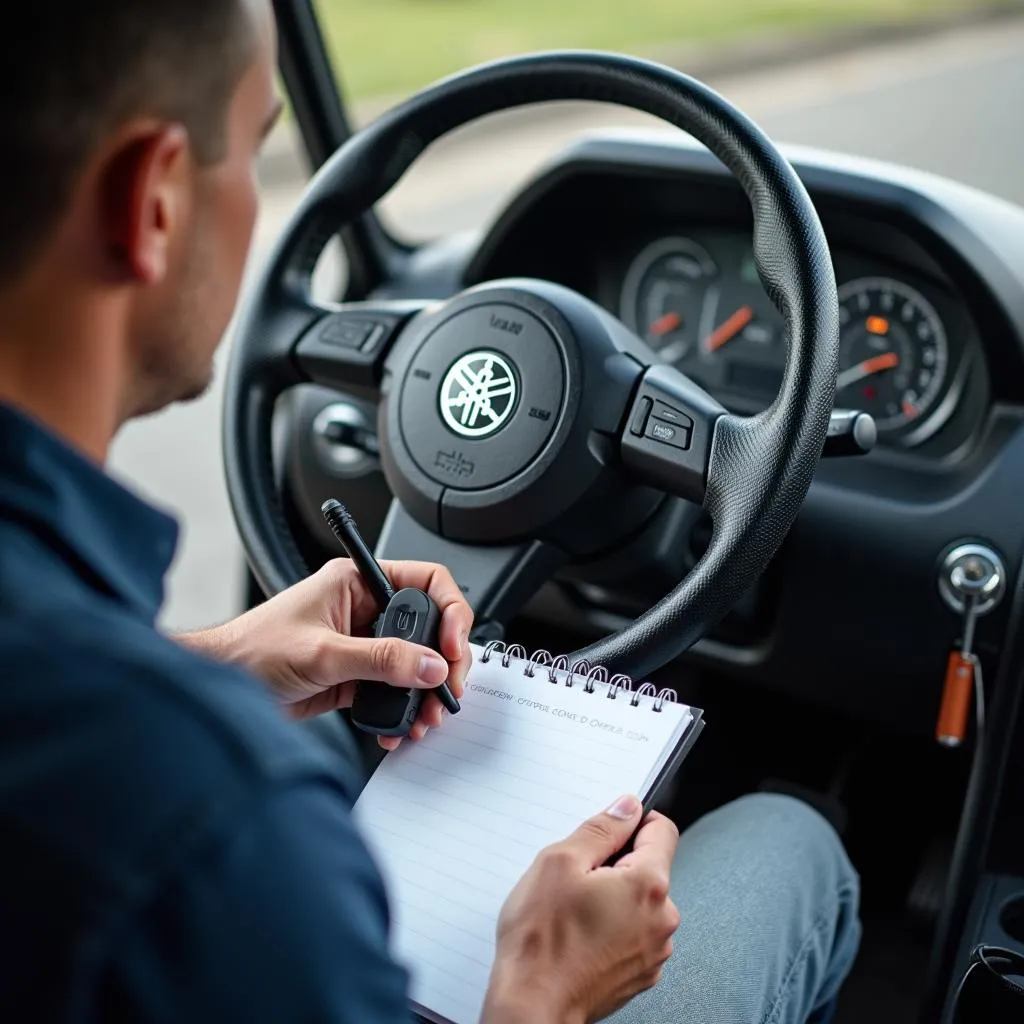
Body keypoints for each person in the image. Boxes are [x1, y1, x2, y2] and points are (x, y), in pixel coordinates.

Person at [0, 2, 860, 1021]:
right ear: (149, 204)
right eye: (249, 156)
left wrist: (218, 662)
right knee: (791, 842)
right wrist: (544, 992)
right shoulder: (215, 816)